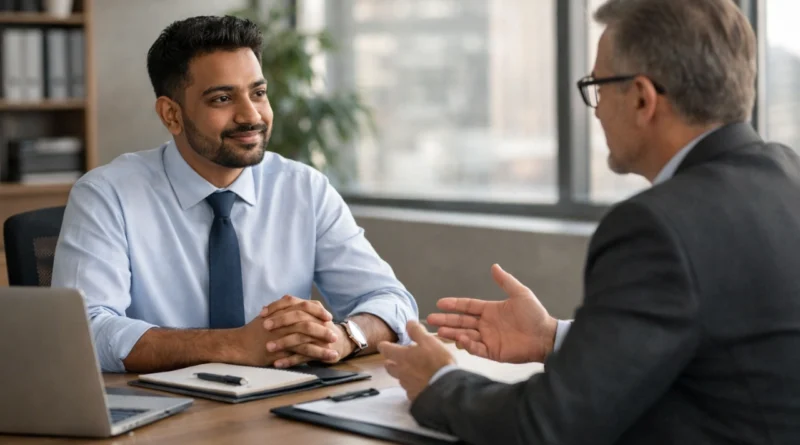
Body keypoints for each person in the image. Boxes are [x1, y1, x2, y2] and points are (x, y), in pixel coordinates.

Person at [378, 0, 800, 444]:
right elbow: (717, 350)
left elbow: (546, 426)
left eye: (598, 85)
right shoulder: (786, 176)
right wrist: (553, 337)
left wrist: (440, 383)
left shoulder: (658, 227)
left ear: (642, 98)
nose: (595, 110)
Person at [51, 15, 418, 373]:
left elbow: (392, 301)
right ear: (171, 115)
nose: (251, 115)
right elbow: (86, 330)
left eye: (258, 93)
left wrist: (342, 337)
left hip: (280, 408)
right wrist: (235, 346)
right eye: (222, 99)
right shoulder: (106, 194)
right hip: (163, 414)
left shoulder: (304, 188)